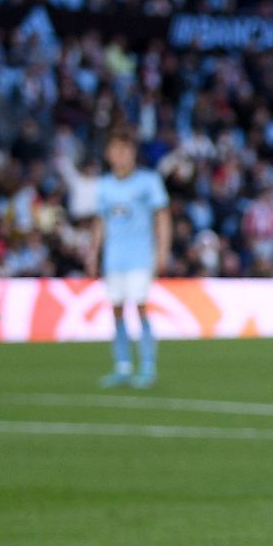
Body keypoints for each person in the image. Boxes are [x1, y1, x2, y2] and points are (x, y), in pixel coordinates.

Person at [88, 127, 171, 389]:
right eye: (116, 151)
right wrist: (93, 252)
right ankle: (122, 366)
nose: (122, 156)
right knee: (116, 310)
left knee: (142, 307)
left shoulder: (148, 181)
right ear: (109, 154)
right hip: (114, 258)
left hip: (140, 257)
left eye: (126, 151)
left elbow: (162, 217)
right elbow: (100, 222)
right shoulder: (104, 186)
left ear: (133, 153)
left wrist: (162, 251)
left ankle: (148, 366)